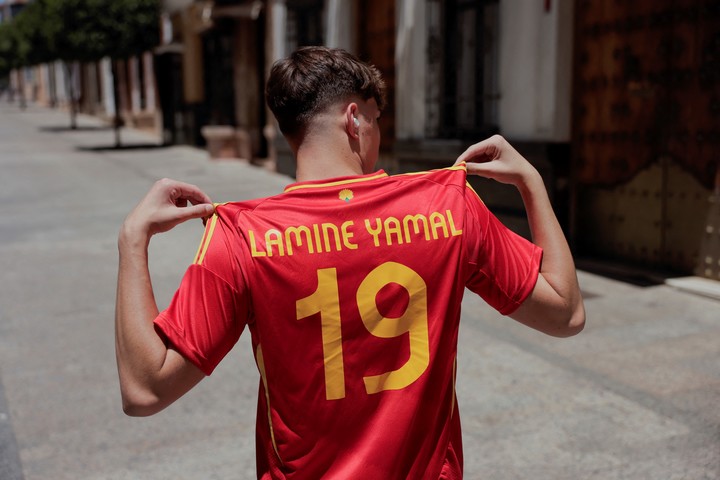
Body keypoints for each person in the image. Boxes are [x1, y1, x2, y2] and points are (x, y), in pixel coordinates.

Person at [115, 46, 585, 479]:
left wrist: (133, 241)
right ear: (355, 119)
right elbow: (564, 313)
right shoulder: (449, 208)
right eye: (377, 118)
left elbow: (145, 391)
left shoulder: (241, 238)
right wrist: (530, 183)